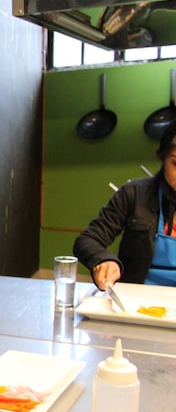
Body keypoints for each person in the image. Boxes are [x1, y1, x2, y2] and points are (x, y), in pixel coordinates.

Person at [74, 121, 176, 288]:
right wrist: (105, 260)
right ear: (162, 158)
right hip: (135, 301)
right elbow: (88, 240)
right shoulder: (134, 193)